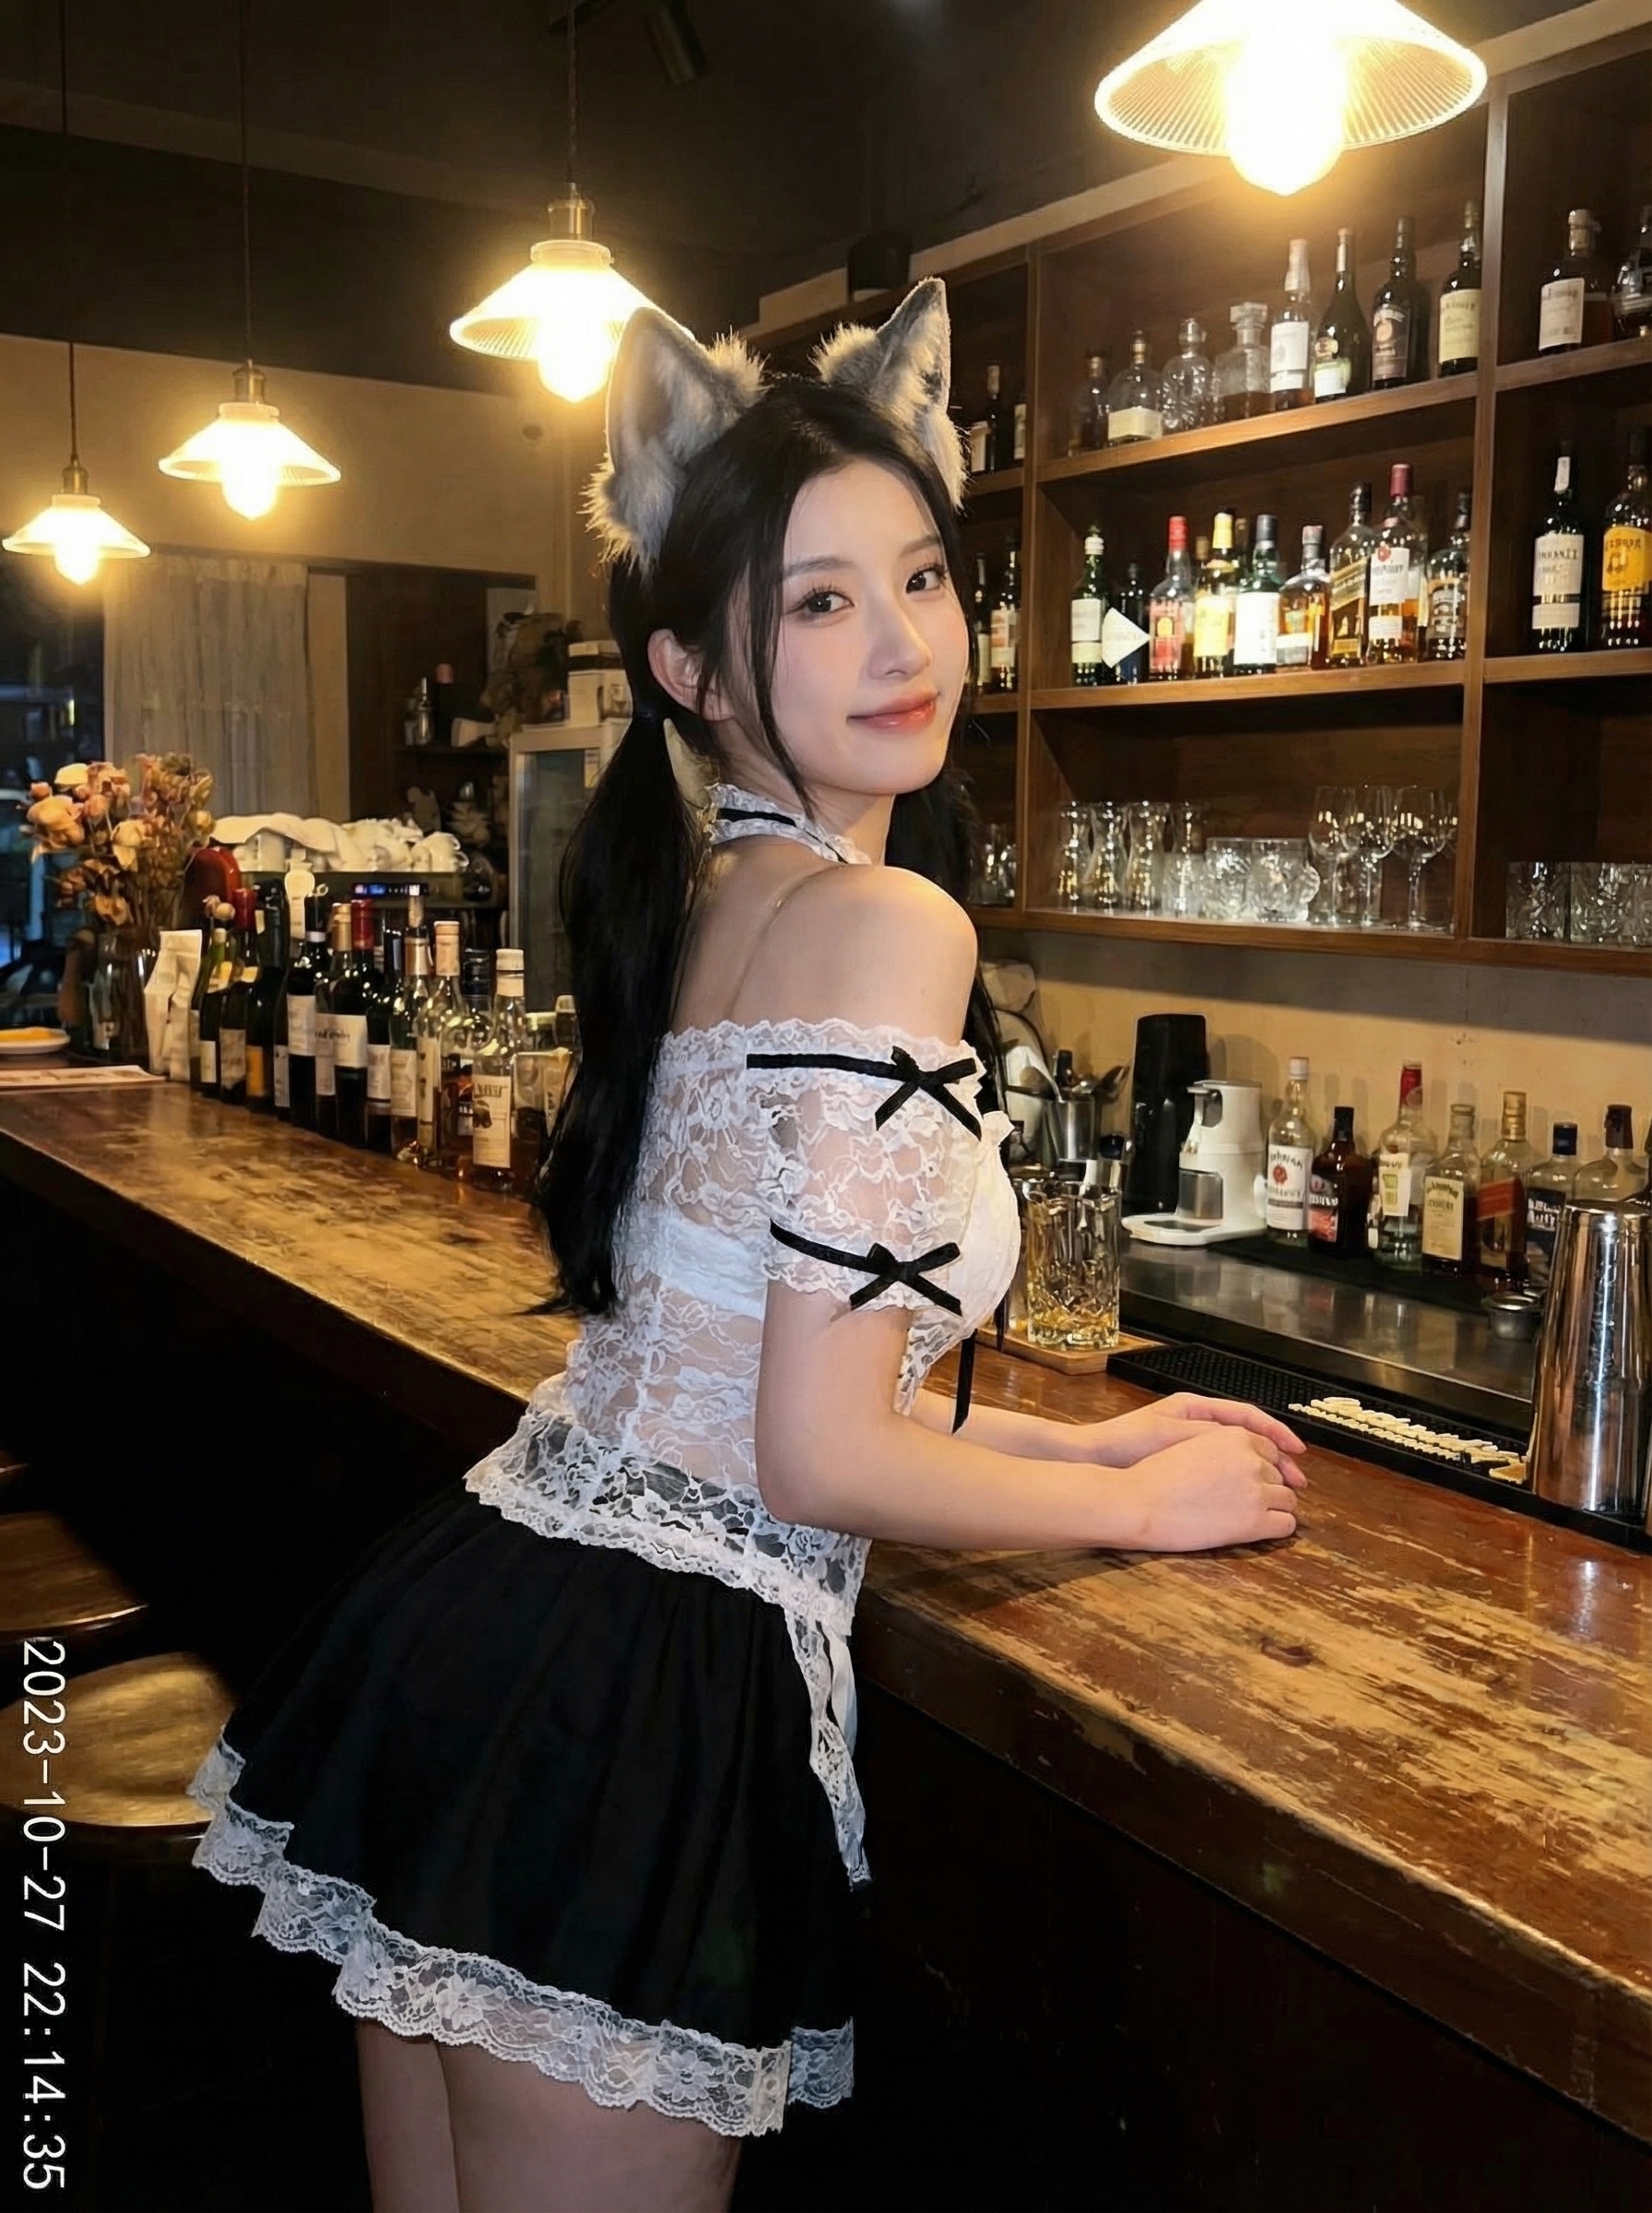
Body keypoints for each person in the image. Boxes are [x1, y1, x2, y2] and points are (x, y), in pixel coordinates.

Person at [184, 278, 1305, 2213]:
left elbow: (732, 1359)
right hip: (636, 1692)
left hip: (488, 1615)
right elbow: (812, 1454)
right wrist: (1145, 1516)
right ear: (691, 670)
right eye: (815, 601)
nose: (901, 643)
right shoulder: (890, 926)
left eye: (924, 582)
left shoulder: (718, 896)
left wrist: (1092, 1443)